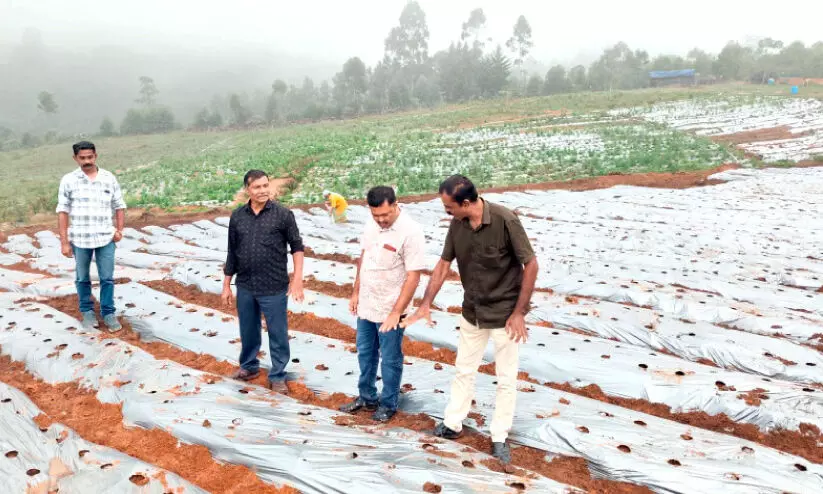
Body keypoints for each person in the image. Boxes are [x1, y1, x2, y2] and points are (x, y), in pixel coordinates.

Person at [403, 175, 538, 464]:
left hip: (505, 314)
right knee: (464, 369)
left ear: (465, 203)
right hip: (472, 311)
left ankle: (499, 436)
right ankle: (452, 424)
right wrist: (426, 302)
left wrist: (519, 312)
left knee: (505, 378)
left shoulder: (505, 221)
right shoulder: (457, 225)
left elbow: (531, 264)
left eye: (448, 206)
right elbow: (442, 265)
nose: (446, 212)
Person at [339, 186, 426, 422]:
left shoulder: (411, 232)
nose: (381, 220)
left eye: (385, 215)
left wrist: (395, 313)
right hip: (367, 303)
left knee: (390, 358)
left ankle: (388, 403)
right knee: (365, 352)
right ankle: (367, 396)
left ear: (396, 205)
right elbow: (364, 257)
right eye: (376, 215)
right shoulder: (371, 225)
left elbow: (413, 277)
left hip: (391, 307)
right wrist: (355, 291)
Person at [222, 170, 305, 394]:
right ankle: (249, 367)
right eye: (257, 187)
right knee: (248, 329)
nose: (263, 191)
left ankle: (278, 374)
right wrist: (226, 284)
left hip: (274, 285)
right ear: (247, 190)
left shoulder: (283, 215)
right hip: (246, 284)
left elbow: (297, 247)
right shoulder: (238, 216)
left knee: (277, 332)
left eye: (265, 186)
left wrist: (297, 279)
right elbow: (232, 252)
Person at [57, 141, 126, 332]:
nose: (87, 161)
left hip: (106, 237)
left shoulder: (108, 178)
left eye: (90, 157)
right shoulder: (69, 180)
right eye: (82, 158)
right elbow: (62, 211)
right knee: (82, 278)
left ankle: (108, 313)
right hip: (80, 238)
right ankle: (87, 312)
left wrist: (120, 230)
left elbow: (119, 206)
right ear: (75, 158)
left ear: (95, 156)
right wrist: (64, 242)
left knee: (107, 278)